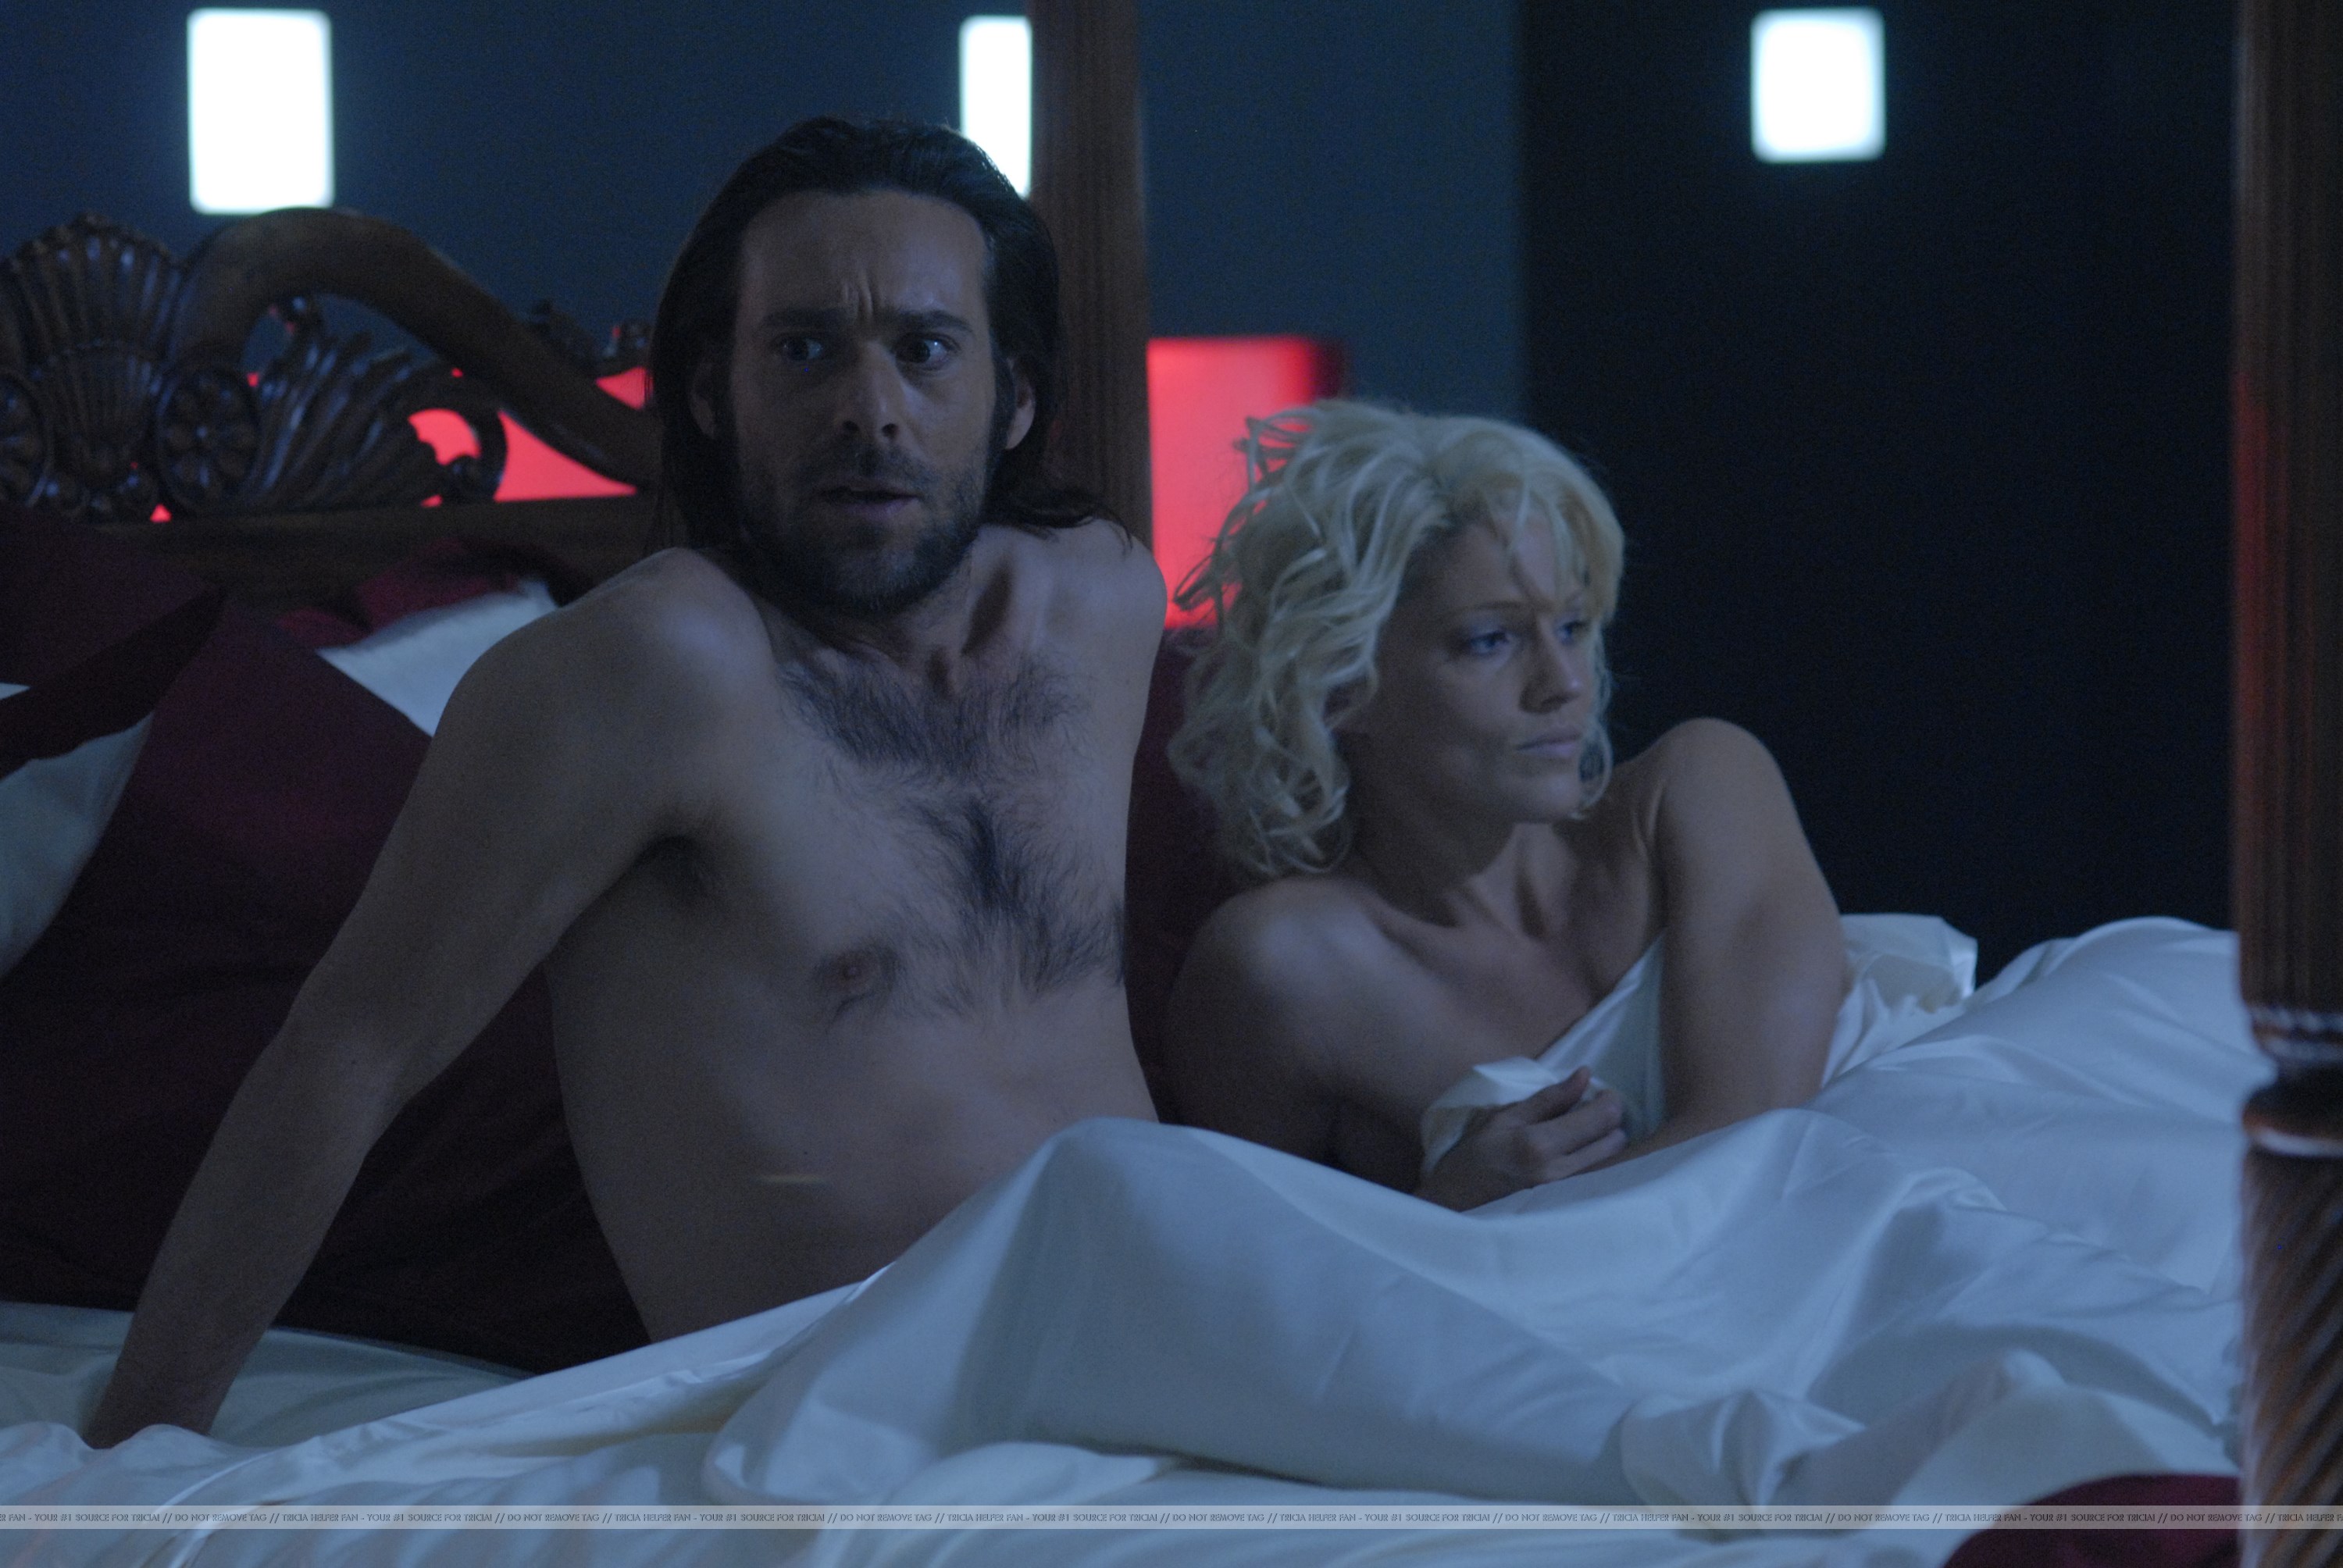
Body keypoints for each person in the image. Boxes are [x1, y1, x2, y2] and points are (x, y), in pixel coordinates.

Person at [86, 118, 1164, 1446]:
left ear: (1017, 399)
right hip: (870, 1404)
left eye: (926, 349)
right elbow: (351, 1048)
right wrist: (133, 1450)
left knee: (1422, 1315)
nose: (869, 409)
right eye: (805, 348)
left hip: (1155, 1329)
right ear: (711, 394)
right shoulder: (653, 672)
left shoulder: (1101, 603)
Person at [1162, 401, 1846, 1210]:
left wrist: (1499, 1225)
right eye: (1491, 640)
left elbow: (1756, 1149)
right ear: (1341, 684)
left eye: (1573, 626)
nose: (1565, 683)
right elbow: (1248, 1268)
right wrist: (1446, 1206)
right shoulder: (1283, 969)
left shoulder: (1700, 792)